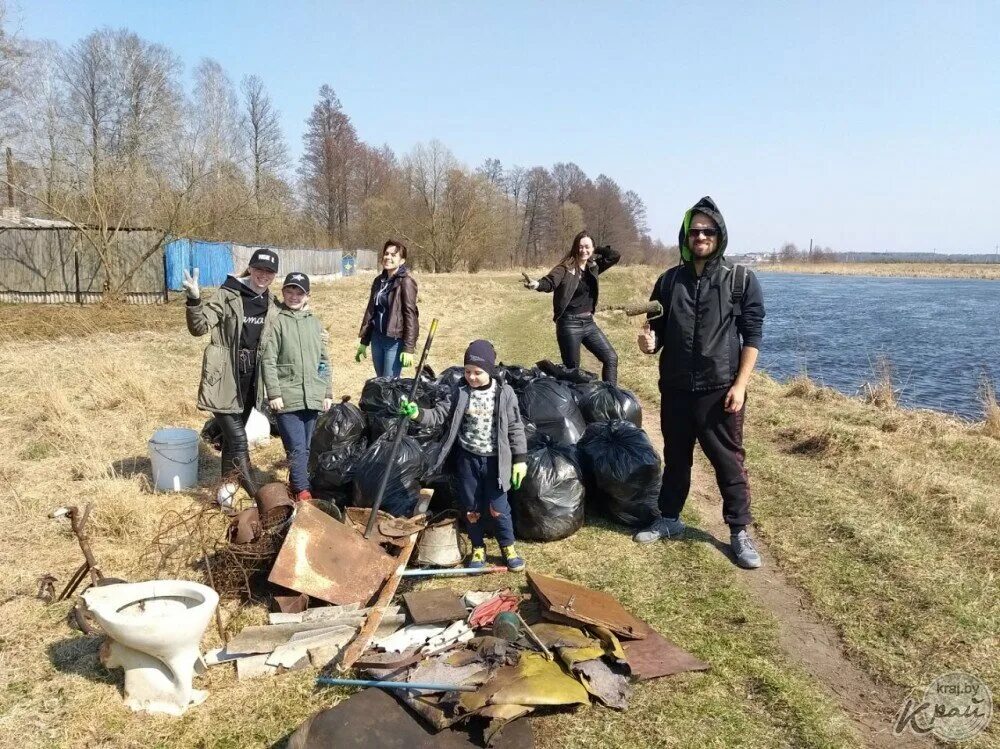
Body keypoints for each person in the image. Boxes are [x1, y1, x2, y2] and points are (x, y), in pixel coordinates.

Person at [634, 197, 765, 569]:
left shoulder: (739, 281)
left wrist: (740, 385)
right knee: (676, 459)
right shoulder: (669, 281)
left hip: (719, 390)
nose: (701, 236)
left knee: (728, 463)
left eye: (708, 231)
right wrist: (648, 345)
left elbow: (752, 336)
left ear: (719, 235)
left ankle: (739, 531)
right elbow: (655, 334)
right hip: (675, 387)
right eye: (695, 231)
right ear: (686, 236)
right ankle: (670, 517)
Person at [399, 340, 529, 571]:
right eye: (467, 371)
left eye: (477, 372)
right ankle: (478, 547)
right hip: (468, 460)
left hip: (496, 462)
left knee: (499, 508)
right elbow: (438, 416)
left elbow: (515, 428)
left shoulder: (504, 394)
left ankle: (507, 547)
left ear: (489, 370)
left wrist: (519, 460)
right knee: (471, 508)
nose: (471, 377)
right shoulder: (459, 393)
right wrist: (417, 414)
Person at [183, 248, 280, 506]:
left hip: (251, 380)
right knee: (238, 439)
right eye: (259, 269)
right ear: (251, 268)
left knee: (230, 440)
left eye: (269, 272)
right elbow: (199, 327)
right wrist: (194, 300)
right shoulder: (228, 295)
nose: (263, 275)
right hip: (225, 376)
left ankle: (224, 492)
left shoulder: (272, 304)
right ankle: (256, 496)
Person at [261, 273, 334, 502]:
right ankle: (303, 491)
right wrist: (274, 392)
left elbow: (323, 361)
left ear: (307, 296)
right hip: (286, 396)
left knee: (305, 447)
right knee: (296, 448)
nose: (294, 296)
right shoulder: (277, 321)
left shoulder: (314, 323)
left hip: (312, 396)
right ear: (283, 293)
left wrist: (326, 391)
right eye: (289, 291)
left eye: (299, 292)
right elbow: (268, 359)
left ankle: (296, 486)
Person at [523, 231, 621, 384]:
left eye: (587, 247)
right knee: (572, 371)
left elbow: (614, 255)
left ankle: (610, 398)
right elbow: (550, 282)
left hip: (589, 323)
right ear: (575, 247)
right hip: (569, 324)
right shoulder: (565, 268)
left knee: (611, 358)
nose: (583, 250)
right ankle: (572, 401)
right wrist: (537, 285)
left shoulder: (593, 266)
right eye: (580, 247)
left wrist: (596, 249)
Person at [356, 240, 419, 378]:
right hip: (377, 339)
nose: (388, 257)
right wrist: (364, 341)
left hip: (394, 341)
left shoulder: (406, 282)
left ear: (402, 261)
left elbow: (410, 315)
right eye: (386, 253)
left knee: (389, 384)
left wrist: (409, 348)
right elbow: (371, 311)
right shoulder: (378, 281)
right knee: (380, 381)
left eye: (393, 255)